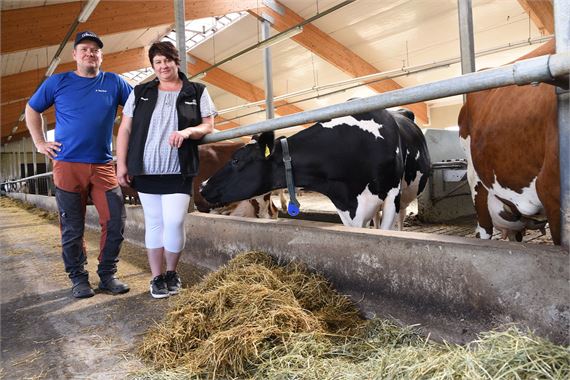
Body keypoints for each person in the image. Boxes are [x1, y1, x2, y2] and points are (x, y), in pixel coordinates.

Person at [25, 31, 132, 299]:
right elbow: (32, 108)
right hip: (68, 164)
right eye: (84, 49)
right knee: (73, 226)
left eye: (95, 50)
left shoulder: (115, 82)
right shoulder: (58, 82)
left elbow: (139, 106)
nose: (90, 53)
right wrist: (39, 142)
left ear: (101, 55)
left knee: (116, 219)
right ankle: (78, 277)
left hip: (102, 165)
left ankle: (107, 275)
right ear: (74, 55)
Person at [116, 41, 216, 299]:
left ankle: (172, 271)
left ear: (176, 61)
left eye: (166, 61)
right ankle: (157, 277)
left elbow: (208, 126)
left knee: (175, 221)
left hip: (179, 169)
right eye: (157, 62)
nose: (162, 66)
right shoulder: (140, 92)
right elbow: (125, 130)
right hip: (146, 169)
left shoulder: (196, 91)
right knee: (155, 224)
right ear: (153, 66)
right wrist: (122, 164)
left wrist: (188, 131)